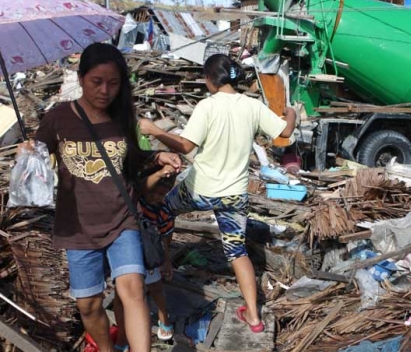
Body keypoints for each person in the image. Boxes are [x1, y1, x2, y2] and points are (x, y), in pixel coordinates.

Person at [20, 43, 181, 352]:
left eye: (113, 82)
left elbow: (132, 160)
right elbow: (36, 169)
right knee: (89, 306)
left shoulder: (123, 118)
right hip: (77, 227)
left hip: (123, 219)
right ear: (81, 79)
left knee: (133, 290)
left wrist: (157, 156)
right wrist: (27, 154)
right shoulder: (58, 118)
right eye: (97, 81)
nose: (105, 90)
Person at [139, 54, 296, 333]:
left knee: (164, 210)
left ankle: (163, 263)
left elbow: (186, 147)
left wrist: (152, 129)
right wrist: (292, 113)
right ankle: (254, 317)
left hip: (199, 191)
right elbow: (284, 133)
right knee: (237, 251)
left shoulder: (206, 106)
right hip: (234, 195)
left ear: (209, 79)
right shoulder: (252, 105)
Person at [114, 163, 177, 349]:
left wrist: (166, 260)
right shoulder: (135, 199)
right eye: (154, 193)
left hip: (149, 254)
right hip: (126, 250)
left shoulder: (164, 210)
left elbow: (166, 236)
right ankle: (122, 337)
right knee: (121, 295)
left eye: (162, 195)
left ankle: (164, 317)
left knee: (155, 288)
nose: (157, 198)